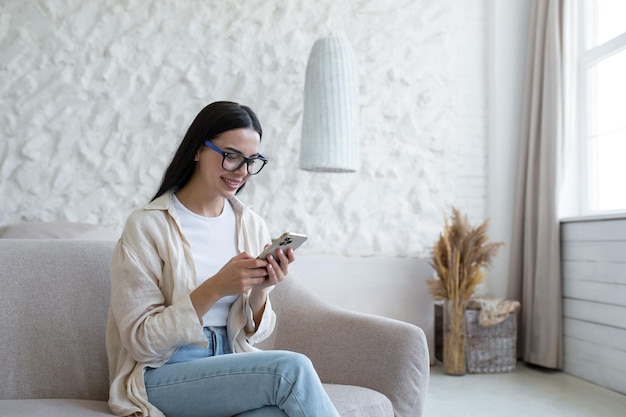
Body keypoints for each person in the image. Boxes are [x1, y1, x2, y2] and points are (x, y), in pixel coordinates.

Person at [106, 101, 340, 417]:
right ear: (198, 150)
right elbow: (141, 342)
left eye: (251, 161)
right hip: (164, 372)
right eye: (231, 157)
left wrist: (261, 290)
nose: (242, 172)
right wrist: (216, 287)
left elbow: (256, 334)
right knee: (290, 368)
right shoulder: (147, 225)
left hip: (230, 362)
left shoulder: (250, 223)